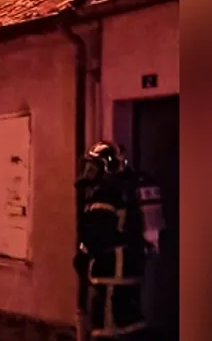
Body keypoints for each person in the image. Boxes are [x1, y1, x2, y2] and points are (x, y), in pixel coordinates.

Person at [75, 141, 162, 340]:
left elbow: (96, 232)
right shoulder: (132, 184)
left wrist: (83, 254)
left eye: (93, 166)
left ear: (107, 165)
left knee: (106, 327)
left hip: (109, 272)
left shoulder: (106, 191)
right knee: (129, 321)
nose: (89, 172)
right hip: (132, 268)